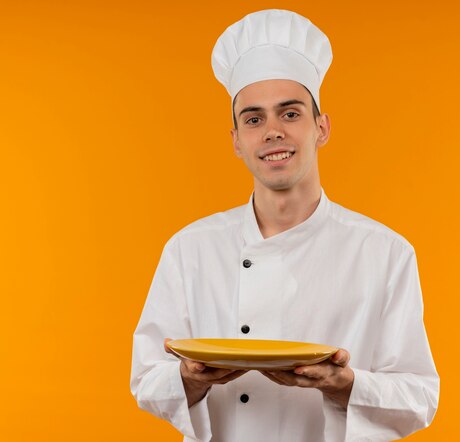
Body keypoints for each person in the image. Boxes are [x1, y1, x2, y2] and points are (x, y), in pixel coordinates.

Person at [131, 9, 439, 442]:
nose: (272, 132)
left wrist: (345, 384)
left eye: (290, 114)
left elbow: (420, 396)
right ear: (237, 140)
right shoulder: (190, 249)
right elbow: (146, 379)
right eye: (254, 119)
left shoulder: (385, 252)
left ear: (322, 127)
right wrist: (192, 377)